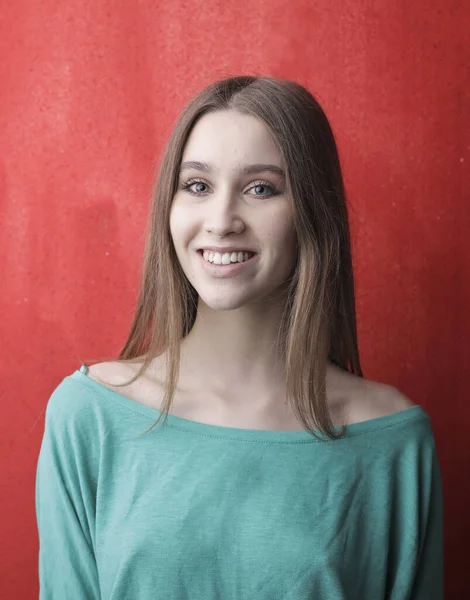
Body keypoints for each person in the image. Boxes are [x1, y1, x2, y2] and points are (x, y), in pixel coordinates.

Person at [35, 75, 443, 598]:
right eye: (198, 186)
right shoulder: (88, 416)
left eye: (260, 188)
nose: (222, 220)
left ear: (312, 213)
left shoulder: (394, 442)